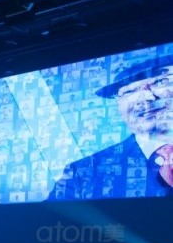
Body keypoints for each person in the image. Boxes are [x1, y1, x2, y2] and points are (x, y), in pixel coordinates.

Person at [47, 54, 173, 200]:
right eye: (129, 91)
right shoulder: (82, 175)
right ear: (117, 103)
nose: (147, 98)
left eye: (160, 82)